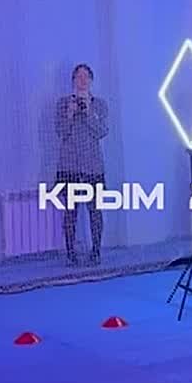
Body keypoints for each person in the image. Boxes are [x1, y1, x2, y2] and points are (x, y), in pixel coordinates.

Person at [54, 64, 109, 266]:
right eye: (78, 77)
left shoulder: (100, 104)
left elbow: (102, 131)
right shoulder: (63, 103)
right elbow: (60, 132)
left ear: (91, 80)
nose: (82, 80)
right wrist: (70, 113)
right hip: (69, 166)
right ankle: (71, 253)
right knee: (70, 211)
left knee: (95, 211)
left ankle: (96, 251)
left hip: (93, 167)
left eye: (86, 77)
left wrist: (88, 112)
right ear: (73, 80)